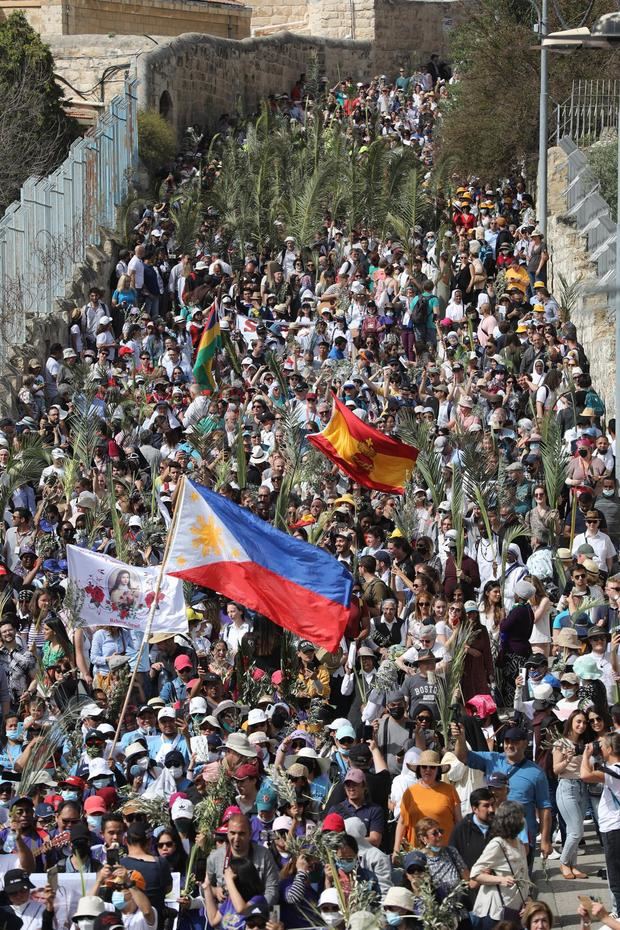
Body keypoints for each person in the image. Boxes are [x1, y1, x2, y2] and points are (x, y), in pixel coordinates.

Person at [393, 752, 461, 855]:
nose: (428, 770)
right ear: (419, 769)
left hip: (444, 852)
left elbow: (458, 822)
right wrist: (396, 850)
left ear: (438, 770)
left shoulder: (449, 790)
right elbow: (402, 823)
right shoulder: (410, 792)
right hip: (416, 853)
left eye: (432, 767)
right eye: (424, 767)